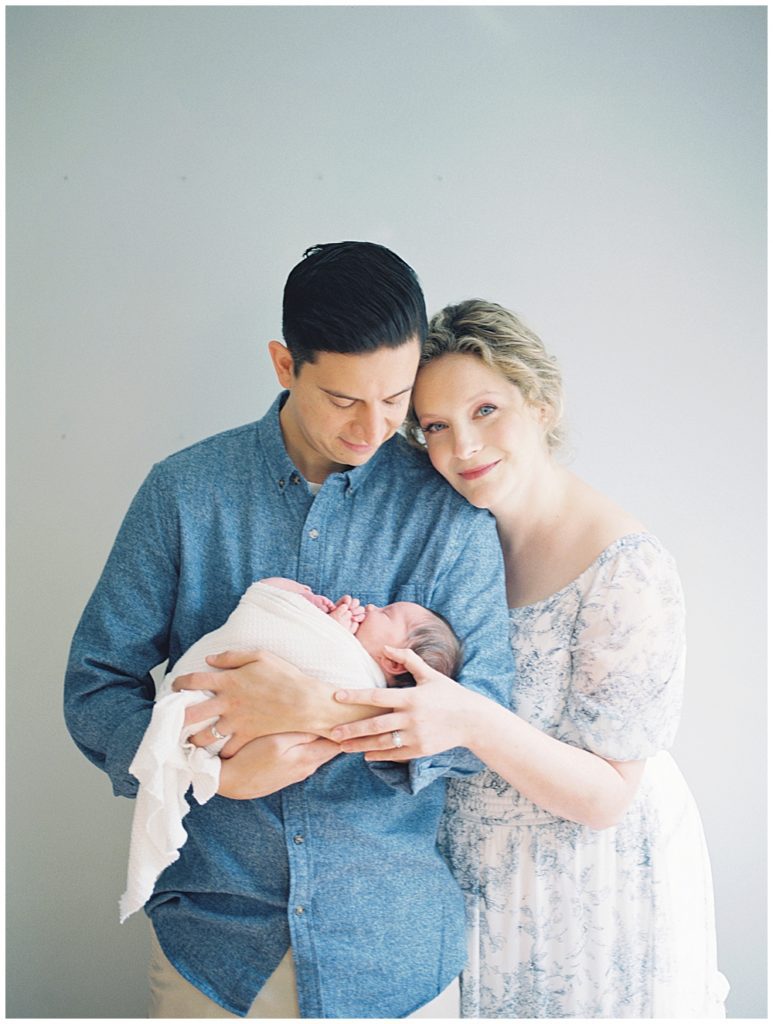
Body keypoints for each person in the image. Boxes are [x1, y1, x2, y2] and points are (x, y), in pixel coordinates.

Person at [64, 246, 514, 1019]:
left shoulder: (447, 514)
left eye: (395, 399)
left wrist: (316, 709)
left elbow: (481, 730)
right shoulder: (183, 493)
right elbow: (95, 686)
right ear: (284, 364)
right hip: (217, 948)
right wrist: (207, 770)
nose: (374, 428)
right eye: (343, 400)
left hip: (394, 952)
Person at [328, 300, 729, 1017]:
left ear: (541, 403)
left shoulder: (622, 567)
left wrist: (469, 722)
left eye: (485, 410)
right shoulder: (454, 545)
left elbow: (608, 796)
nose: (462, 448)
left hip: (587, 889)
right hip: (477, 886)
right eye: (437, 428)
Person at [120, 577, 464, 924]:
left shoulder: (357, 672)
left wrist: (323, 706)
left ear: (396, 663)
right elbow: (95, 686)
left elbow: (473, 730)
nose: (373, 606)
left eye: (387, 614)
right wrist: (318, 622)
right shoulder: (173, 521)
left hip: (383, 919)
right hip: (210, 915)